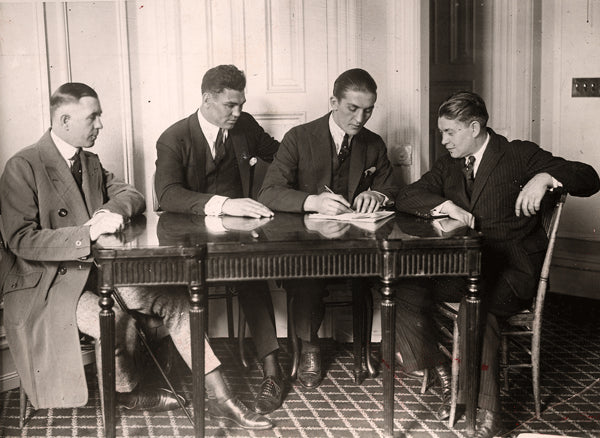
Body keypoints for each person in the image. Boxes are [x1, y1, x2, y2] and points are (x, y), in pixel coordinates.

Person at [0, 82, 272, 431]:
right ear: (65, 120)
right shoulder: (24, 165)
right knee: (111, 318)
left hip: (95, 275)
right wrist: (87, 234)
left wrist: (105, 214)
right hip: (48, 286)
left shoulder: (89, 161)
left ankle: (224, 399)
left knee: (177, 302)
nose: (100, 125)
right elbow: (20, 240)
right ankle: (126, 394)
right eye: (93, 117)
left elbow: (132, 194)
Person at [393, 90, 600, 437]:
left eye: (449, 132)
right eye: (441, 132)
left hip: (511, 269)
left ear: (474, 127)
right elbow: (408, 195)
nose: (442, 140)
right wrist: (447, 206)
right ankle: (446, 373)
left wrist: (545, 177)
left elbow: (589, 176)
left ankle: (489, 410)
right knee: (401, 291)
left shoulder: (517, 154)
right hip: (464, 267)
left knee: (477, 306)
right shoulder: (449, 164)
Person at [154, 65, 284, 415]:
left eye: (241, 103)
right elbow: (166, 194)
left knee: (253, 278)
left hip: (238, 237)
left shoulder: (246, 127)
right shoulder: (174, 137)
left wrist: (266, 183)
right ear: (207, 100)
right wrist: (225, 204)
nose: (237, 112)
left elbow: (284, 157)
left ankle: (273, 370)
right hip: (189, 238)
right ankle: (186, 370)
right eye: (230, 105)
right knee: (179, 295)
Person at [258, 68, 398, 388]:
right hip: (306, 245)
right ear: (333, 102)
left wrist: (377, 193)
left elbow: (392, 187)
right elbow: (268, 192)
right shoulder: (299, 137)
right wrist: (313, 201)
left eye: (368, 110)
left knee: (376, 274)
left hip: (355, 246)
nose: (361, 118)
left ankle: (362, 352)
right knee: (307, 276)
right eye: (352, 108)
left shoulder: (373, 144)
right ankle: (309, 347)